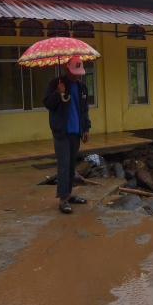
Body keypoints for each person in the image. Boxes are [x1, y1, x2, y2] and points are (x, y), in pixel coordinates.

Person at [43, 56, 91, 214]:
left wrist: (86, 129)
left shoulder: (82, 87)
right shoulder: (56, 84)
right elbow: (48, 104)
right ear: (66, 69)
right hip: (61, 132)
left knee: (71, 166)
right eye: (74, 72)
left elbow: (84, 110)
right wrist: (57, 93)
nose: (76, 76)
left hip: (76, 132)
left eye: (79, 73)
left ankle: (69, 194)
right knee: (63, 166)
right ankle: (63, 199)